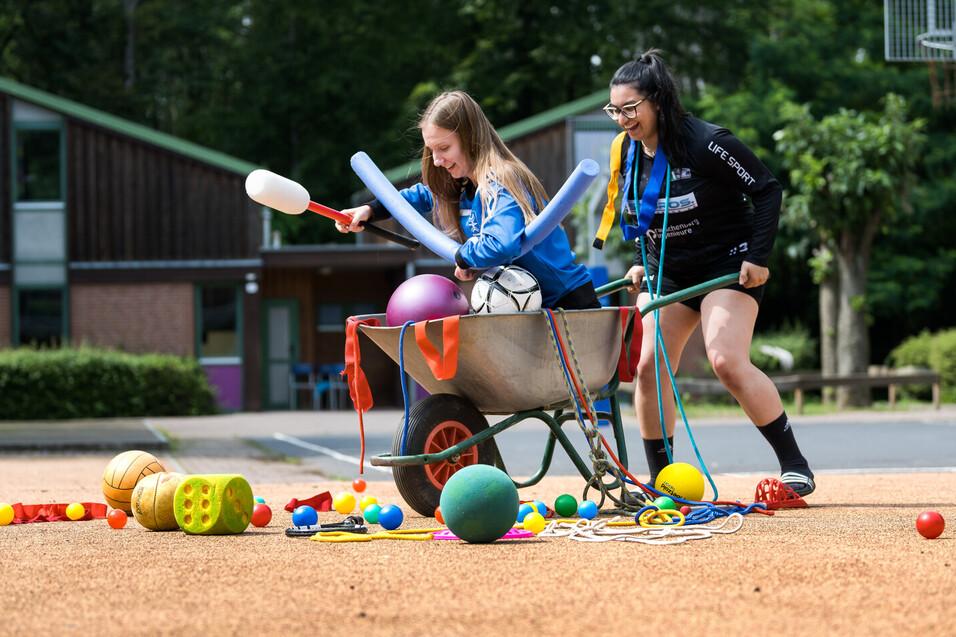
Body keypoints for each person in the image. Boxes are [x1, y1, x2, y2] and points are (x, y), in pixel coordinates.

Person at [597, 49, 814, 496]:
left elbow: (767, 190)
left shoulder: (705, 142)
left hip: (725, 264)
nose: (622, 119)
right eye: (615, 110)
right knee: (648, 366)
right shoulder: (626, 150)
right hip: (671, 273)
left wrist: (757, 256)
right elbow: (644, 215)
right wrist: (644, 262)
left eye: (631, 108)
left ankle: (795, 465)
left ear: (658, 100)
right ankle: (662, 481)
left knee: (725, 361)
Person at [336, 90, 599, 310]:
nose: (437, 161)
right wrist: (370, 210)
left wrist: (466, 257)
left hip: (567, 302)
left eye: (444, 148)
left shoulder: (501, 181)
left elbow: (500, 245)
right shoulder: (461, 184)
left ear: (470, 139)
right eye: (432, 150)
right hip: (524, 304)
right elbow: (419, 196)